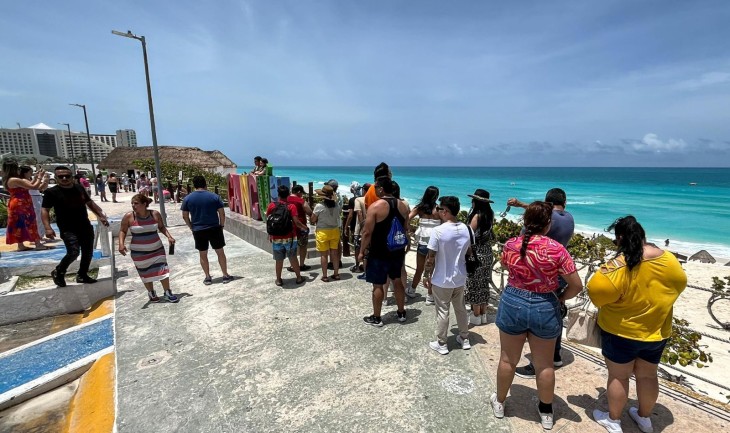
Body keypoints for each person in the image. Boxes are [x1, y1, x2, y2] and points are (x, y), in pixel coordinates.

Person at [588, 216, 686, 433]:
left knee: (619, 376)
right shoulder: (668, 259)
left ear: (620, 238)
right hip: (657, 332)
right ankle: (644, 418)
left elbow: (596, 293)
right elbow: (680, 283)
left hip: (620, 332)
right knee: (648, 376)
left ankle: (613, 420)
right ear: (643, 236)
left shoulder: (619, 265)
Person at [491, 201, 582, 430]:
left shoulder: (511, 244)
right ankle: (546, 412)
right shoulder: (557, 249)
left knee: (507, 359)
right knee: (544, 365)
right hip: (545, 304)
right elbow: (576, 286)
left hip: (513, 301)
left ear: (525, 221)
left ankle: (500, 402)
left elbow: (507, 266)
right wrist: (560, 298)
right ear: (548, 224)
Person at [508, 188, 575, 378]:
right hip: (559, 275)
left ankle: (538, 364)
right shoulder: (569, 218)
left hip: (539, 276)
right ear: (565, 202)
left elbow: (526, 235)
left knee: (537, 320)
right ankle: (555, 355)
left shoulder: (548, 221)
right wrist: (522, 204)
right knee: (555, 317)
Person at [41, 166, 110, 287]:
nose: (64, 178)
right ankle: (59, 271)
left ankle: (82, 275)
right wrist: (47, 227)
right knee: (73, 252)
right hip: (67, 227)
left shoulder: (79, 188)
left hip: (84, 224)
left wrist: (101, 215)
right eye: (61, 176)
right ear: (56, 178)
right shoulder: (51, 192)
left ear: (72, 177)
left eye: (67, 176)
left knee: (88, 251)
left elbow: (89, 203)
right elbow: (45, 210)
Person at [359, 176, 409, 327]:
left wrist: (361, 251)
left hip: (379, 251)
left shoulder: (375, 207)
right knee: (397, 280)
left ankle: (376, 317)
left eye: (375, 187)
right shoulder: (403, 206)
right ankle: (401, 312)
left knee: (378, 284)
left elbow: (367, 232)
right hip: (397, 250)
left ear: (381, 189)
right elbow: (406, 228)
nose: (375, 190)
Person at [425, 196, 472, 354]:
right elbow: (468, 252)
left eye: (439, 208)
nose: (437, 210)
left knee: (442, 311)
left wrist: (426, 275)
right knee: (460, 309)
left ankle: (442, 343)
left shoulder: (438, 231)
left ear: (445, 211)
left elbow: (430, 257)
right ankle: (464, 338)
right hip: (460, 276)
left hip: (442, 279)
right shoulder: (467, 229)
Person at [118, 194, 179, 303]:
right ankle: (151, 292)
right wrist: (121, 244)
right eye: (132, 203)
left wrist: (169, 237)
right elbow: (123, 230)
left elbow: (161, 227)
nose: (133, 205)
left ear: (144, 204)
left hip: (157, 250)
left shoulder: (154, 214)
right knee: (145, 272)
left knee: (163, 269)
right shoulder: (129, 216)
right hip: (139, 253)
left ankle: (167, 292)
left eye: (136, 203)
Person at [181, 175, 233, 285]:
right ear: (205, 184)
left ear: (194, 185)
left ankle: (208, 277)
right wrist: (221, 226)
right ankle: (225, 275)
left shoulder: (188, 198)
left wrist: (191, 226)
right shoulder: (214, 197)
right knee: (220, 252)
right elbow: (222, 213)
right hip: (214, 228)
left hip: (198, 229)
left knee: (203, 254)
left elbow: (185, 216)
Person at [465, 189, 495, 325]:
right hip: (487, 252)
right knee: (484, 283)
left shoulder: (477, 216)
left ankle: (476, 315)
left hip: (477, 253)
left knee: (474, 284)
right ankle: (483, 314)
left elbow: (469, 235)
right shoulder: (490, 214)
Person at [268, 185, 307, 286]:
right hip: (290, 237)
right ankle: (299, 278)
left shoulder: (272, 205)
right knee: (293, 257)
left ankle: (278, 280)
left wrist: (270, 234)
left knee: (279, 260)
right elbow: (297, 222)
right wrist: (305, 228)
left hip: (276, 237)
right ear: (288, 194)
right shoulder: (291, 207)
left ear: (278, 194)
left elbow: (269, 220)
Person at [3, 162, 47, 251]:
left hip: (19, 203)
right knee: (30, 222)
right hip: (21, 203)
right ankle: (38, 244)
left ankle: (21, 245)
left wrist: (35, 178)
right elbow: (33, 187)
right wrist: (40, 177)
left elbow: (28, 186)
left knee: (19, 223)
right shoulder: (14, 179)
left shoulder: (10, 179)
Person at [408, 186, 441, 302]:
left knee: (419, 269)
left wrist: (410, 230)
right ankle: (430, 295)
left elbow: (407, 218)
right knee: (433, 270)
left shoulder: (420, 208)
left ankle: (412, 290)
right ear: (436, 196)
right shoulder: (439, 209)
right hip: (435, 243)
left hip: (422, 242)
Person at [311, 185, 342, 282]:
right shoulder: (337, 205)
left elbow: (313, 219)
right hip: (335, 231)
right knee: (335, 253)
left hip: (323, 232)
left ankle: (325, 276)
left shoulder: (319, 206)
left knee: (324, 255)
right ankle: (336, 274)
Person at [287, 184, 312, 271]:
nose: (302, 195)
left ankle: (292, 265)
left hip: (288, 227)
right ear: (298, 192)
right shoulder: (301, 201)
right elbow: (309, 212)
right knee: (303, 246)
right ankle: (301, 265)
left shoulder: (286, 199)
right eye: (301, 193)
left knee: (291, 247)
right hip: (301, 227)